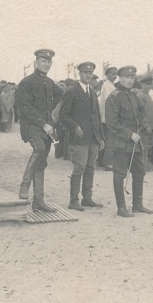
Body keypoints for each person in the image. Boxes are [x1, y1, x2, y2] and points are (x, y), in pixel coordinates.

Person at [15, 49, 63, 212]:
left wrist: (50, 117)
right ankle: (24, 185)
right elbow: (25, 108)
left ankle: (38, 201)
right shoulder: (26, 82)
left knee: (41, 162)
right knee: (39, 149)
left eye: (49, 61)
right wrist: (43, 123)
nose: (46, 64)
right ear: (36, 62)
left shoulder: (49, 82)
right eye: (43, 61)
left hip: (46, 128)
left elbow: (59, 95)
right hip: (31, 126)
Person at [105, 65, 153, 217]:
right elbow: (112, 123)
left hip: (135, 143)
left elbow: (142, 110)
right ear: (120, 78)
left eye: (132, 78)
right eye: (126, 77)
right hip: (121, 143)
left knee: (139, 172)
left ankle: (137, 205)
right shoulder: (114, 97)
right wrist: (129, 134)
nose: (129, 80)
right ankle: (121, 208)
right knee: (120, 175)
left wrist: (145, 124)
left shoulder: (133, 95)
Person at [58, 61, 105, 211]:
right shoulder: (72, 91)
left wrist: (101, 137)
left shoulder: (91, 92)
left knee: (90, 168)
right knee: (79, 168)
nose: (88, 75)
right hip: (78, 138)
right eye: (85, 72)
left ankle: (87, 198)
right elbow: (63, 114)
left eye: (90, 73)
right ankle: (73, 201)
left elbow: (96, 116)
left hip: (92, 138)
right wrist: (75, 126)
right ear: (80, 74)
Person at [98, 66, 118, 170]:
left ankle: (101, 161)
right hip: (109, 117)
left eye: (116, 74)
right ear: (106, 75)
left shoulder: (108, 85)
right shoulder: (108, 87)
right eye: (112, 73)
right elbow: (110, 102)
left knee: (105, 139)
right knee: (110, 140)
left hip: (105, 116)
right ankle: (108, 163)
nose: (114, 76)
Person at [137, 75, 153, 168]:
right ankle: (142, 165)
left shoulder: (147, 95)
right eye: (147, 84)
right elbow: (141, 113)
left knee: (149, 145)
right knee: (144, 146)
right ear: (142, 84)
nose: (149, 86)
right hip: (146, 126)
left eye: (150, 84)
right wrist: (146, 125)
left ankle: (145, 163)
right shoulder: (140, 96)